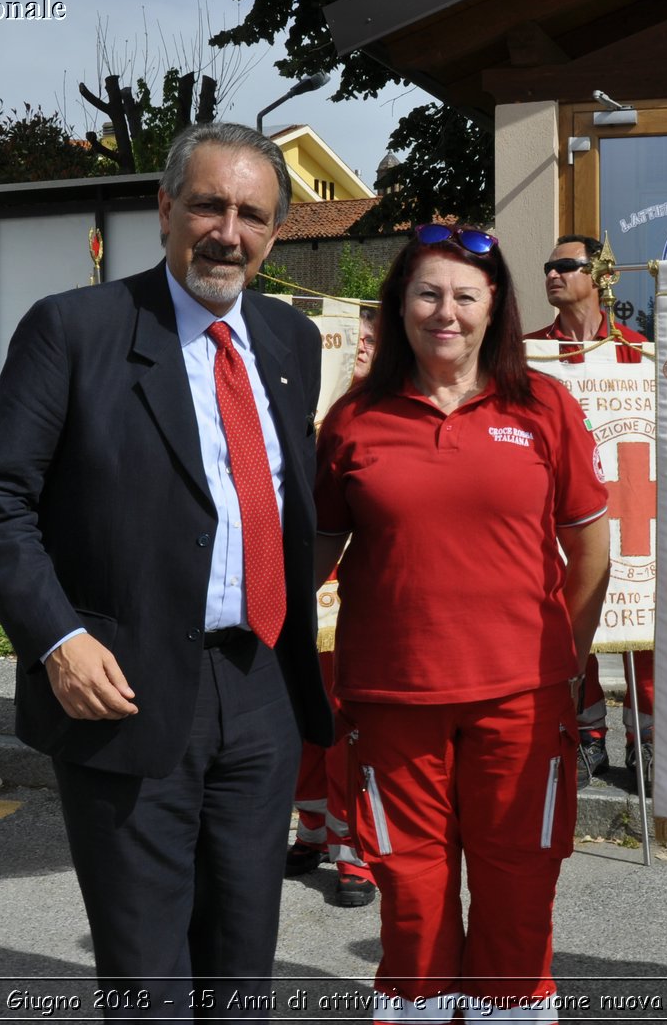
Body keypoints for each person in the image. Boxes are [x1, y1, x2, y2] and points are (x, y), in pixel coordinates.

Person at [0, 121, 331, 1017]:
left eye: (252, 213)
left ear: (275, 232)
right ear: (166, 209)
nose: (227, 230)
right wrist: (58, 639)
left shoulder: (290, 341)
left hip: (261, 685)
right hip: (124, 686)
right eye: (208, 204)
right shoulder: (74, 329)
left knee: (244, 962)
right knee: (146, 972)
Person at [315, 223, 611, 1024]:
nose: (445, 311)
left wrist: (563, 661)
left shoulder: (542, 405)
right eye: (427, 293)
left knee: (518, 883)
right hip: (391, 694)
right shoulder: (353, 421)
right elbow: (315, 549)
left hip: (522, 698)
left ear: (494, 309)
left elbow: (590, 550)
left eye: (464, 296)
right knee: (410, 889)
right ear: (400, 305)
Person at [526, 233, 656, 791]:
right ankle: (589, 736)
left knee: (645, 618)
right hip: (564, 508)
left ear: (599, 275)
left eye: (565, 265)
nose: (552, 274)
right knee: (569, 618)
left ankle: (650, 739)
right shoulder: (530, 354)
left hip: (635, 499)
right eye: (547, 266)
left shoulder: (639, 350)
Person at [288, 307, 378, 908]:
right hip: (302, 581)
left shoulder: (383, 413)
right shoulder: (304, 404)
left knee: (349, 725)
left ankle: (355, 850)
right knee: (304, 718)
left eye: (373, 341)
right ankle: (313, 829)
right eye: (357, 340)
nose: (363, 350)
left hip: (353, 594)